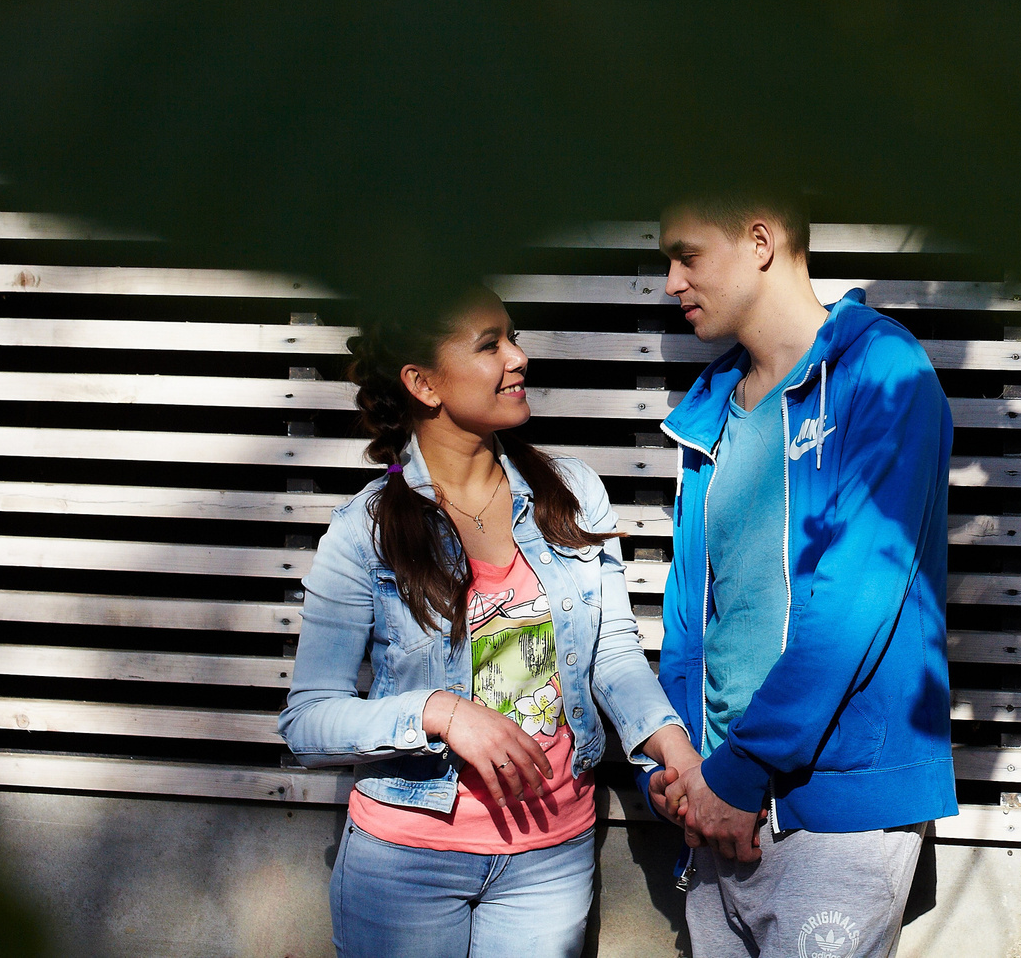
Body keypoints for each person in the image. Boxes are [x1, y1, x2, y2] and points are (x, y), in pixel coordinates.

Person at [281, 285, 706, 958]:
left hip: (549, 859)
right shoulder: (363, 530)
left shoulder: (572, 492)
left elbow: (615, 658)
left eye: (513, 336)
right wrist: (441, 711)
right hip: (407, 860)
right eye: (490, 345)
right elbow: (306, 719)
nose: (520, 357)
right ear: (423, 383)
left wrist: (674, 749)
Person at [635, 191, 956, 958]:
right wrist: (675, 766)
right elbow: (690, 621)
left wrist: (739, 772)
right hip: (712, 808)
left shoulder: (880, 369)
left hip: (832, 814)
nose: (671, 282)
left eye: (687, 255)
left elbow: (855, 601)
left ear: (759, 239)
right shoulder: (709, 408)